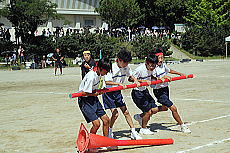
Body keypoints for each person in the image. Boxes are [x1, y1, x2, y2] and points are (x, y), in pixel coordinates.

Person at [102, 49, 142, 140]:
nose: (126, 65)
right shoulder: (111, 67)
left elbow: (130, 76)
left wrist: (136, 80)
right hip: (108, 92)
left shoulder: (126, 67)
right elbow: (107, 81)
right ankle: (110, 131)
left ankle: (133, 132)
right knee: (115, 114)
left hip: (117, 92)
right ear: (119, 60)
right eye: (125, 63)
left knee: (126, 112)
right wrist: (118, 84)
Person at [151, 52, 191, 133]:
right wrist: (162, 77)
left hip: (165, 89)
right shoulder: (153, 67)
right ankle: (182, 125)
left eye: (162, 58)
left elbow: (169, 71)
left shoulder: (163, 65)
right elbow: (153, 77)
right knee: (173, 108)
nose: (161, 60)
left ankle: (146, 113)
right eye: (159, 58)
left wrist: (180, 74)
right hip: (159, 91)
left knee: (165, 108)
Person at [78, 58, 112, 152]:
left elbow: (101, 86)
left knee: (106, 120)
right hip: (85, 100)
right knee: (96, 124)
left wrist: (100, 91)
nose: (106, 73)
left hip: (94, 98)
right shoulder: (91, 76)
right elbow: (84, 93)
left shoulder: (100, 74)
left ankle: (106, 142)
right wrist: (94, 94)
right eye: (106, 71)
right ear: (100, 68)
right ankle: (89, 144)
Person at [130, 54, 159, 135]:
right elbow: (130, 78)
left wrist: (156, 79)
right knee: (147, 112)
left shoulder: (153, 68)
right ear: (146, 63)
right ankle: (143, 128)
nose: (152, 68)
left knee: (155, 109)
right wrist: (142, 81)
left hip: (145, 91)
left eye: (154, 66)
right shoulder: (139, 69)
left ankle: (139, 117)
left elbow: (151, 75)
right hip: (137, 93)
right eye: (151, 66)